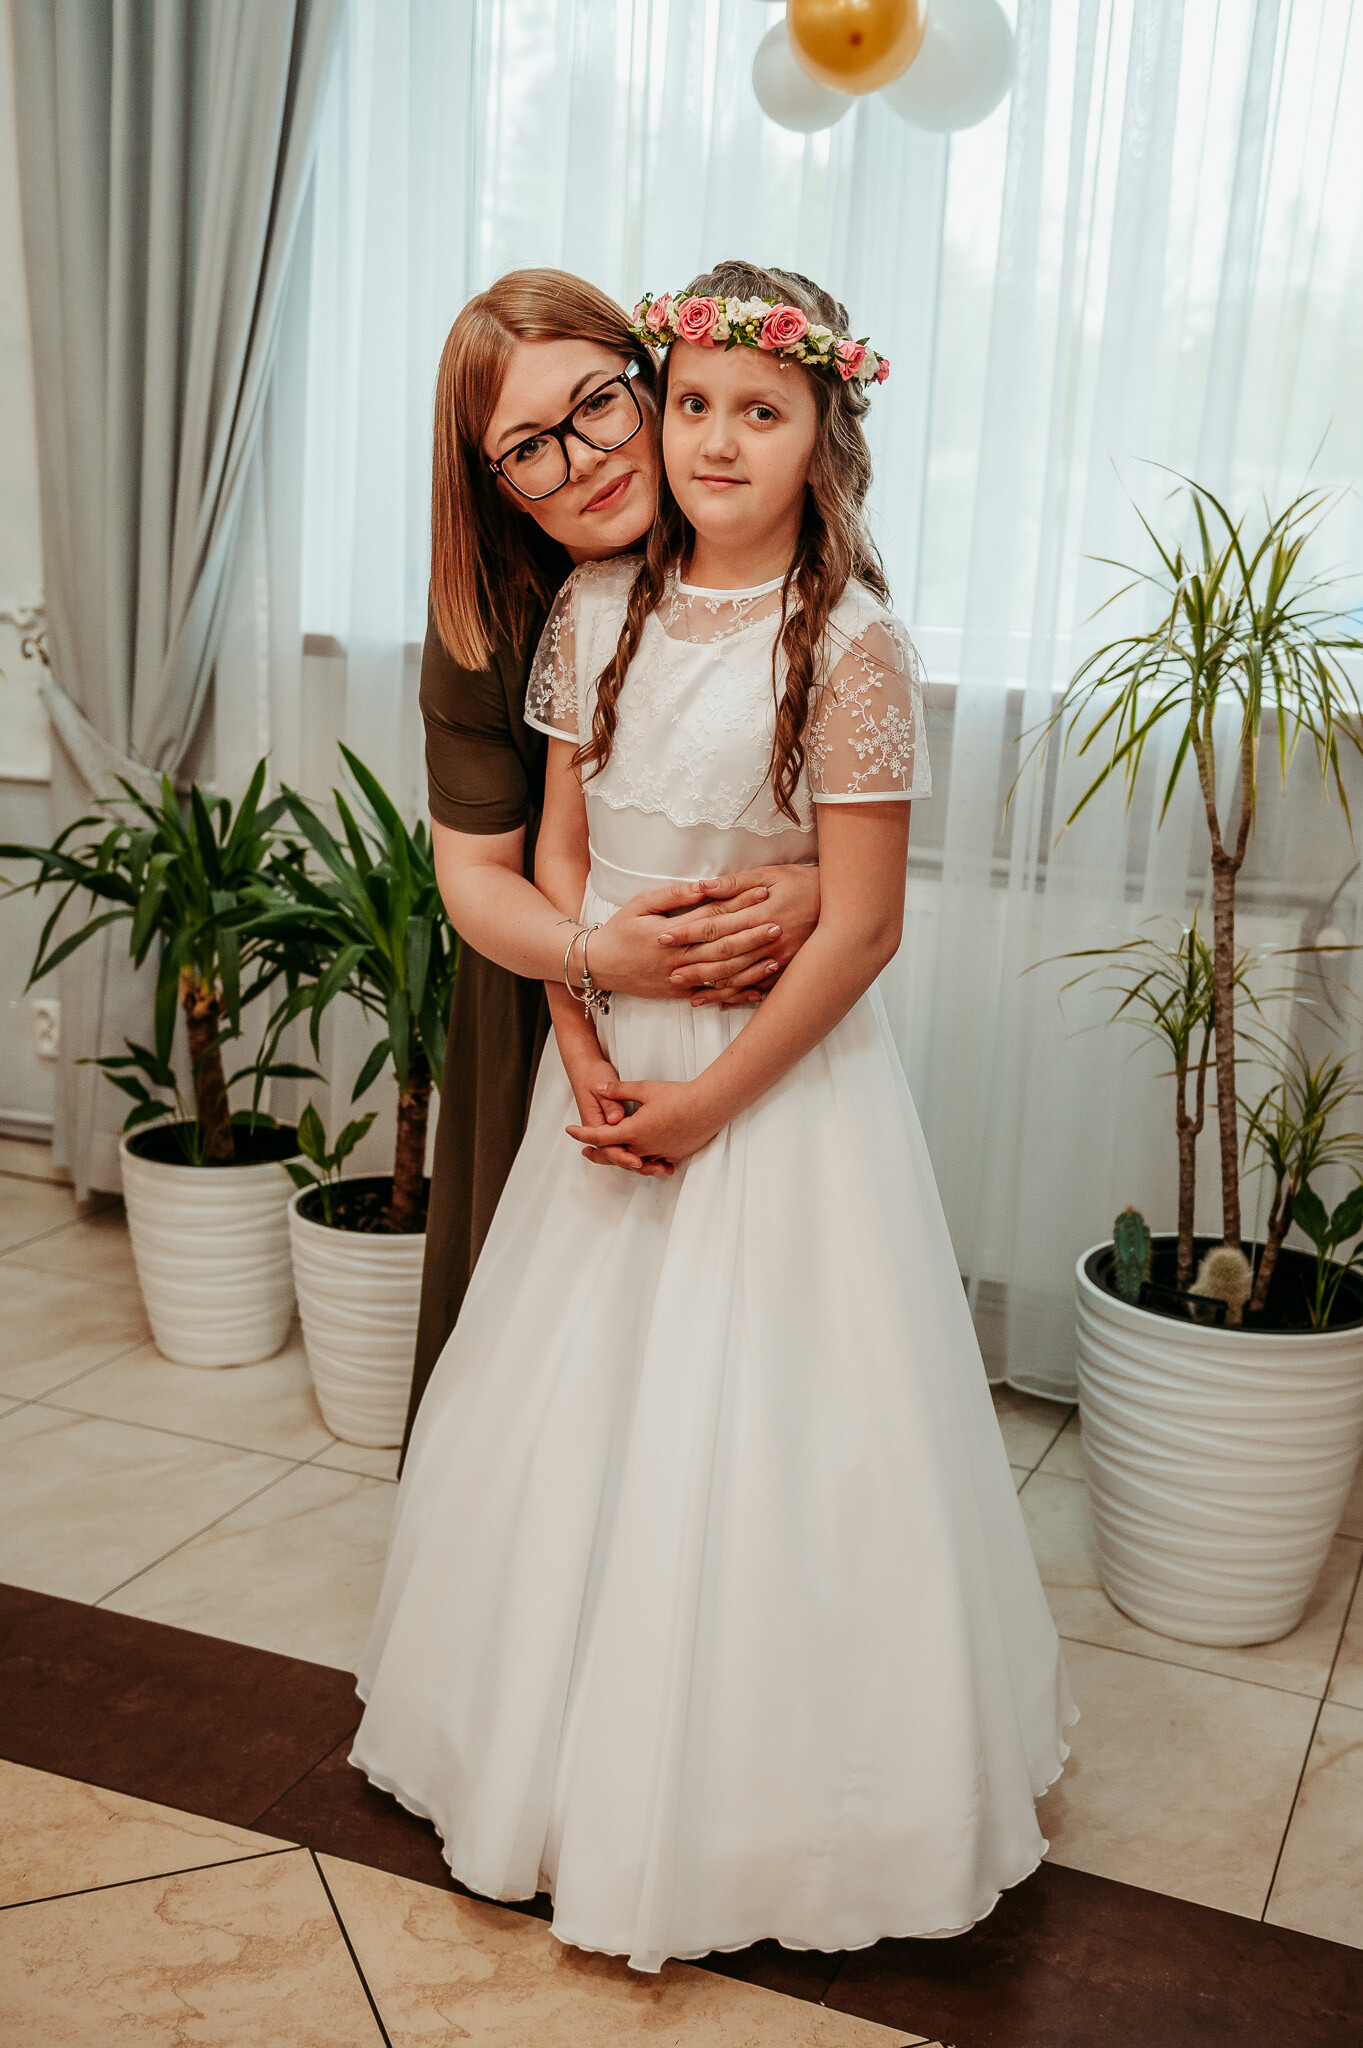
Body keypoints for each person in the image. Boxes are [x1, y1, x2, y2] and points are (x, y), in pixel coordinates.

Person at [353, 261, 1075, 1972]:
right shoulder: (578, 613)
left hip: (774, 1095)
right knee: (572, 1402)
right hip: (606, 1056)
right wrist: (587, 1033)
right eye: (692, 406)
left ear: (824, 434)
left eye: (752, 409)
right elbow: (547, 861)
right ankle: (546, 1741)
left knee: (784, 1424)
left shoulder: (852, 642)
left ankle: (764, 1789)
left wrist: (712, 1094)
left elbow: (863, 922)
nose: (699, 440)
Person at [404, 269, 822, 1462]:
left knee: (744, 1364)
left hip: (748, 994)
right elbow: (482, 876)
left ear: (653, 379)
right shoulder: (485, 620)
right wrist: (592, 967)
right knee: (540, 1371)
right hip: (542, 986)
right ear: (491, 481)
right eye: (527, 448)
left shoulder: (774, 544)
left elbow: (854, 810)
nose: (583, 460)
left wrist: (814, 889)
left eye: (597, 404)